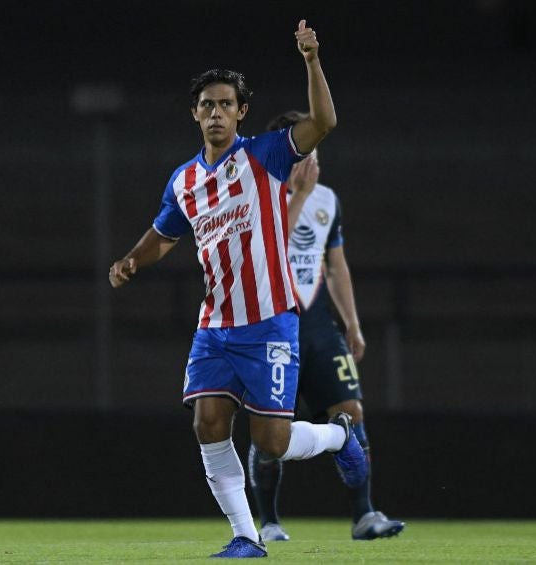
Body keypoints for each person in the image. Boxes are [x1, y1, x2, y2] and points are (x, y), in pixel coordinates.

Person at [109, 20, 367, 559]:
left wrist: (312, 60)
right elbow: (164, 235)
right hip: (216, 324)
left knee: (272, 443)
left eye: (226, 104)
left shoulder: (268, 155)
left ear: (241, 112)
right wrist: (133, 260)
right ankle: (246, 537)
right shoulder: (183, 180)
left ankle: (341, 434)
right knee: (207, 422)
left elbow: (324, 121)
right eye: (207, 104)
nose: (216, 112)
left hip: (271, 319)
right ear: (195, 113)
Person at [248, 111, 406, 542]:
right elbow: (267, 247)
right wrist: (297, 193)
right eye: (301, 150)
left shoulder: (328, 200)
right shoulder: (258, 194)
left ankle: (364, 515)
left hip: (317, 327)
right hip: (270, 327)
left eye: (314, 149)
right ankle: (269, 522)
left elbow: (335, 266)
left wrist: (352, 323)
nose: (310, 159)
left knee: (351, 412)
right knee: (270, 429)